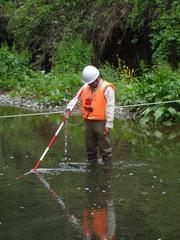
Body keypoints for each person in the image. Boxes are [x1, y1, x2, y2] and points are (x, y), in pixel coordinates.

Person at [65, 65, 115, 163]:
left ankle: (107, 168)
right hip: (88, 121)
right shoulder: (85, 87)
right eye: (89, 83)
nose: (90, 85)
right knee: (90, 148)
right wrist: (68, 110)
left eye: (92, 82)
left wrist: (109, 124)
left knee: (105, 148)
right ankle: (92, 168)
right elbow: (76, 99)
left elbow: (110, 107)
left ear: (97, 78)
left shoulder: (107, 88)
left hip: (101, 122)